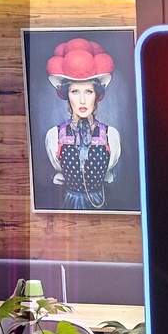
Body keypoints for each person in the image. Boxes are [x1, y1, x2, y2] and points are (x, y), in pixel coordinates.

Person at [44, 38, 121, 210]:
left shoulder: (110, 136)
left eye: (88, 91)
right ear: (67, 95)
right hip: (69, 211)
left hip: (101, 208)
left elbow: (108, 173)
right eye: (75, 92)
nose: (82, 100)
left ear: (96, 95)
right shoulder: (55, 136)